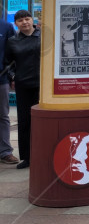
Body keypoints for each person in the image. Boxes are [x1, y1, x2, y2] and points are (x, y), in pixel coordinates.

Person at [4, 10, 41, 169]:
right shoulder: (12, 41)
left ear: (32, 20)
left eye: (27, 19)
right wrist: (12, 77)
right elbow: (8, 63)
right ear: (16, 24)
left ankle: (43, 154)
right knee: (25, 121)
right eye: (20, 20)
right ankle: (27, 157)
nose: (24, 22)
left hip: (43, 85)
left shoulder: (43, 36)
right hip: (23, 85)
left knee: (41, 121)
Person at [0, 14, 18, 165]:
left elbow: (13, 53)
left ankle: (5, 151)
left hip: (2, 79)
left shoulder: (6, 27)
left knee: (3, 116)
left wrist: (12, 76)